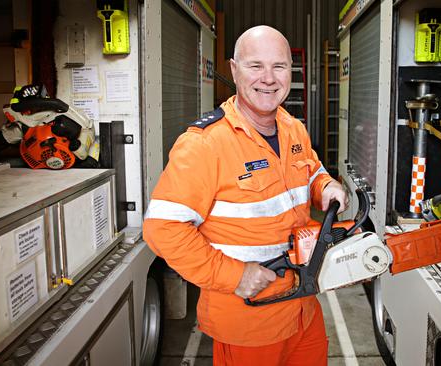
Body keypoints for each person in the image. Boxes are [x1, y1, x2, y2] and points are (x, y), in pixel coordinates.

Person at [143, 25, 347, 365]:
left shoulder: (293, 127)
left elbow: (310, 169)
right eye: (256, 66)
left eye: (279, 66)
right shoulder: (205, 144)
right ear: (234, 70)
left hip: (304, 308)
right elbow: (162, 229)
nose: (268, 78)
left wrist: (325, 185)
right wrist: (235, 276)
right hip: (250, 322)